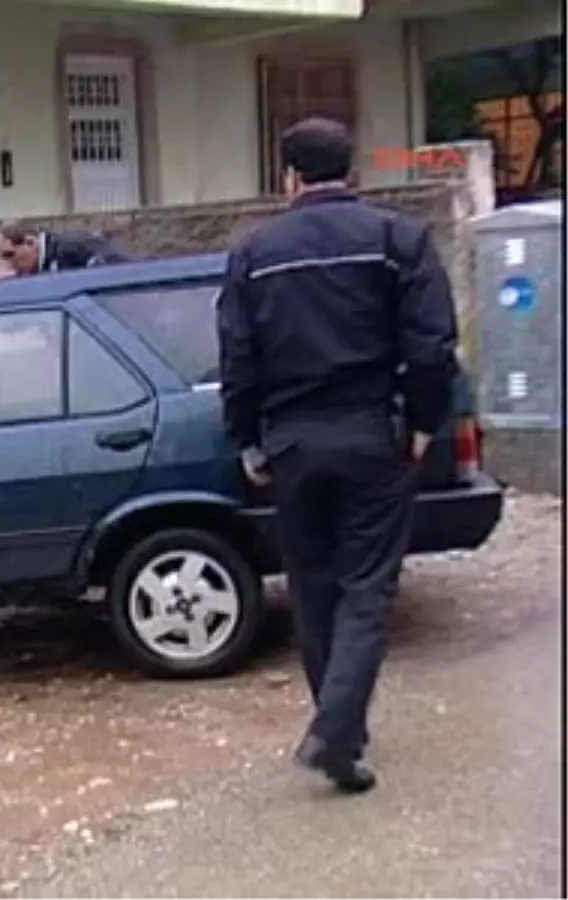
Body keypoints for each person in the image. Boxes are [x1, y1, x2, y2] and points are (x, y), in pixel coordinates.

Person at [216, 118, 459, 794]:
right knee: (367, 587)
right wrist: (425, 421)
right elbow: (433, 343)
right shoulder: (397, 240)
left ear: (287, 176)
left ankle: (339, 734)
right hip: (370, 434)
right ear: (350, 171)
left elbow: (238, 358)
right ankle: (334, 732)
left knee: (313, 586)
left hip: (292, 442)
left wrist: (247, 440)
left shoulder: (252, 253)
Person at [0, 220, 128, 284]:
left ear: (30, 243)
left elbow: (116, 273)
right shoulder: (38, 267)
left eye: (9, 255)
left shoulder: (71, 250)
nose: (7, 262)